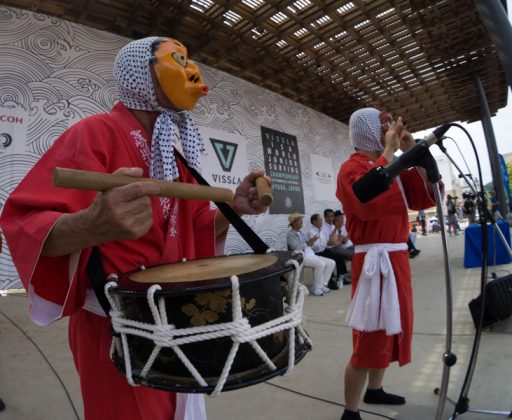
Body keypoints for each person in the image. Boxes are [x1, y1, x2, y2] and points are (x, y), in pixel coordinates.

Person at [0, 37, 271, 420]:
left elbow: (195, 229)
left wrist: (233, 210)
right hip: (117, 322)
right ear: (142, 75)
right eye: (177, 60)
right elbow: (24, 224)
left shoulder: (174, 155)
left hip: (176, 317)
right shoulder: (94, 133)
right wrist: (90, 226)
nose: (190, 70)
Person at [336, 107, 436, 420]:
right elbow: (365, 201)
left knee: (392, 328)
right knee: (368, 337)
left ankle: (375, 391)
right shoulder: (351, 168)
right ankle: (350, 412)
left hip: (396, 258)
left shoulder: (392, 164)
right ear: (367, 131)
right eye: (383, 126)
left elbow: (424, 198)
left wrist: (410, 151)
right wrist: (391, 152)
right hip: (373, 263)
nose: (388, 129)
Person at [286, 213, 335, 296]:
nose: (302, 222)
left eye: (301, 220)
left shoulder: (301, 233)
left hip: (310, 254)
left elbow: (308, 244)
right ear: (293, 223)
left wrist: (311, 243)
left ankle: (321, 284)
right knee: (320, 264)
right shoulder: (290, 234)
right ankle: (316, 288)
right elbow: (296, 248)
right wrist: (309, 242)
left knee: (331, 262)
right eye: (299, 221)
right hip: (301, 256)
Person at [307, 213, 349, 289]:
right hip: (318, 252)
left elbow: (326, 242)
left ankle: (340, 277)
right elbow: (315, 247)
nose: (321, 221)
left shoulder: (321, 231)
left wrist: (332, 242)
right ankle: (329, 281)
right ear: (314, 222)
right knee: (331, 258)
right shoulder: (311, 232)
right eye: (319, 220)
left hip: (325, 249)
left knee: (339, 256)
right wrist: (327, 244)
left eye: (321, 220)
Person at [322, 208, 352, 285]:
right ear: (325, 217)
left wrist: (338, 231)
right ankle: (339, 278)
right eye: (329, 216)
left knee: (342, 255)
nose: (331, 218)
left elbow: (339, 240)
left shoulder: (333, 226)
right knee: (340, 255)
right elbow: (329, 243)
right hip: (327, 249)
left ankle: (341, 278)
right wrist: (336, 229)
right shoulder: (323, 228)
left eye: (332, 216)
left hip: (336, 247)